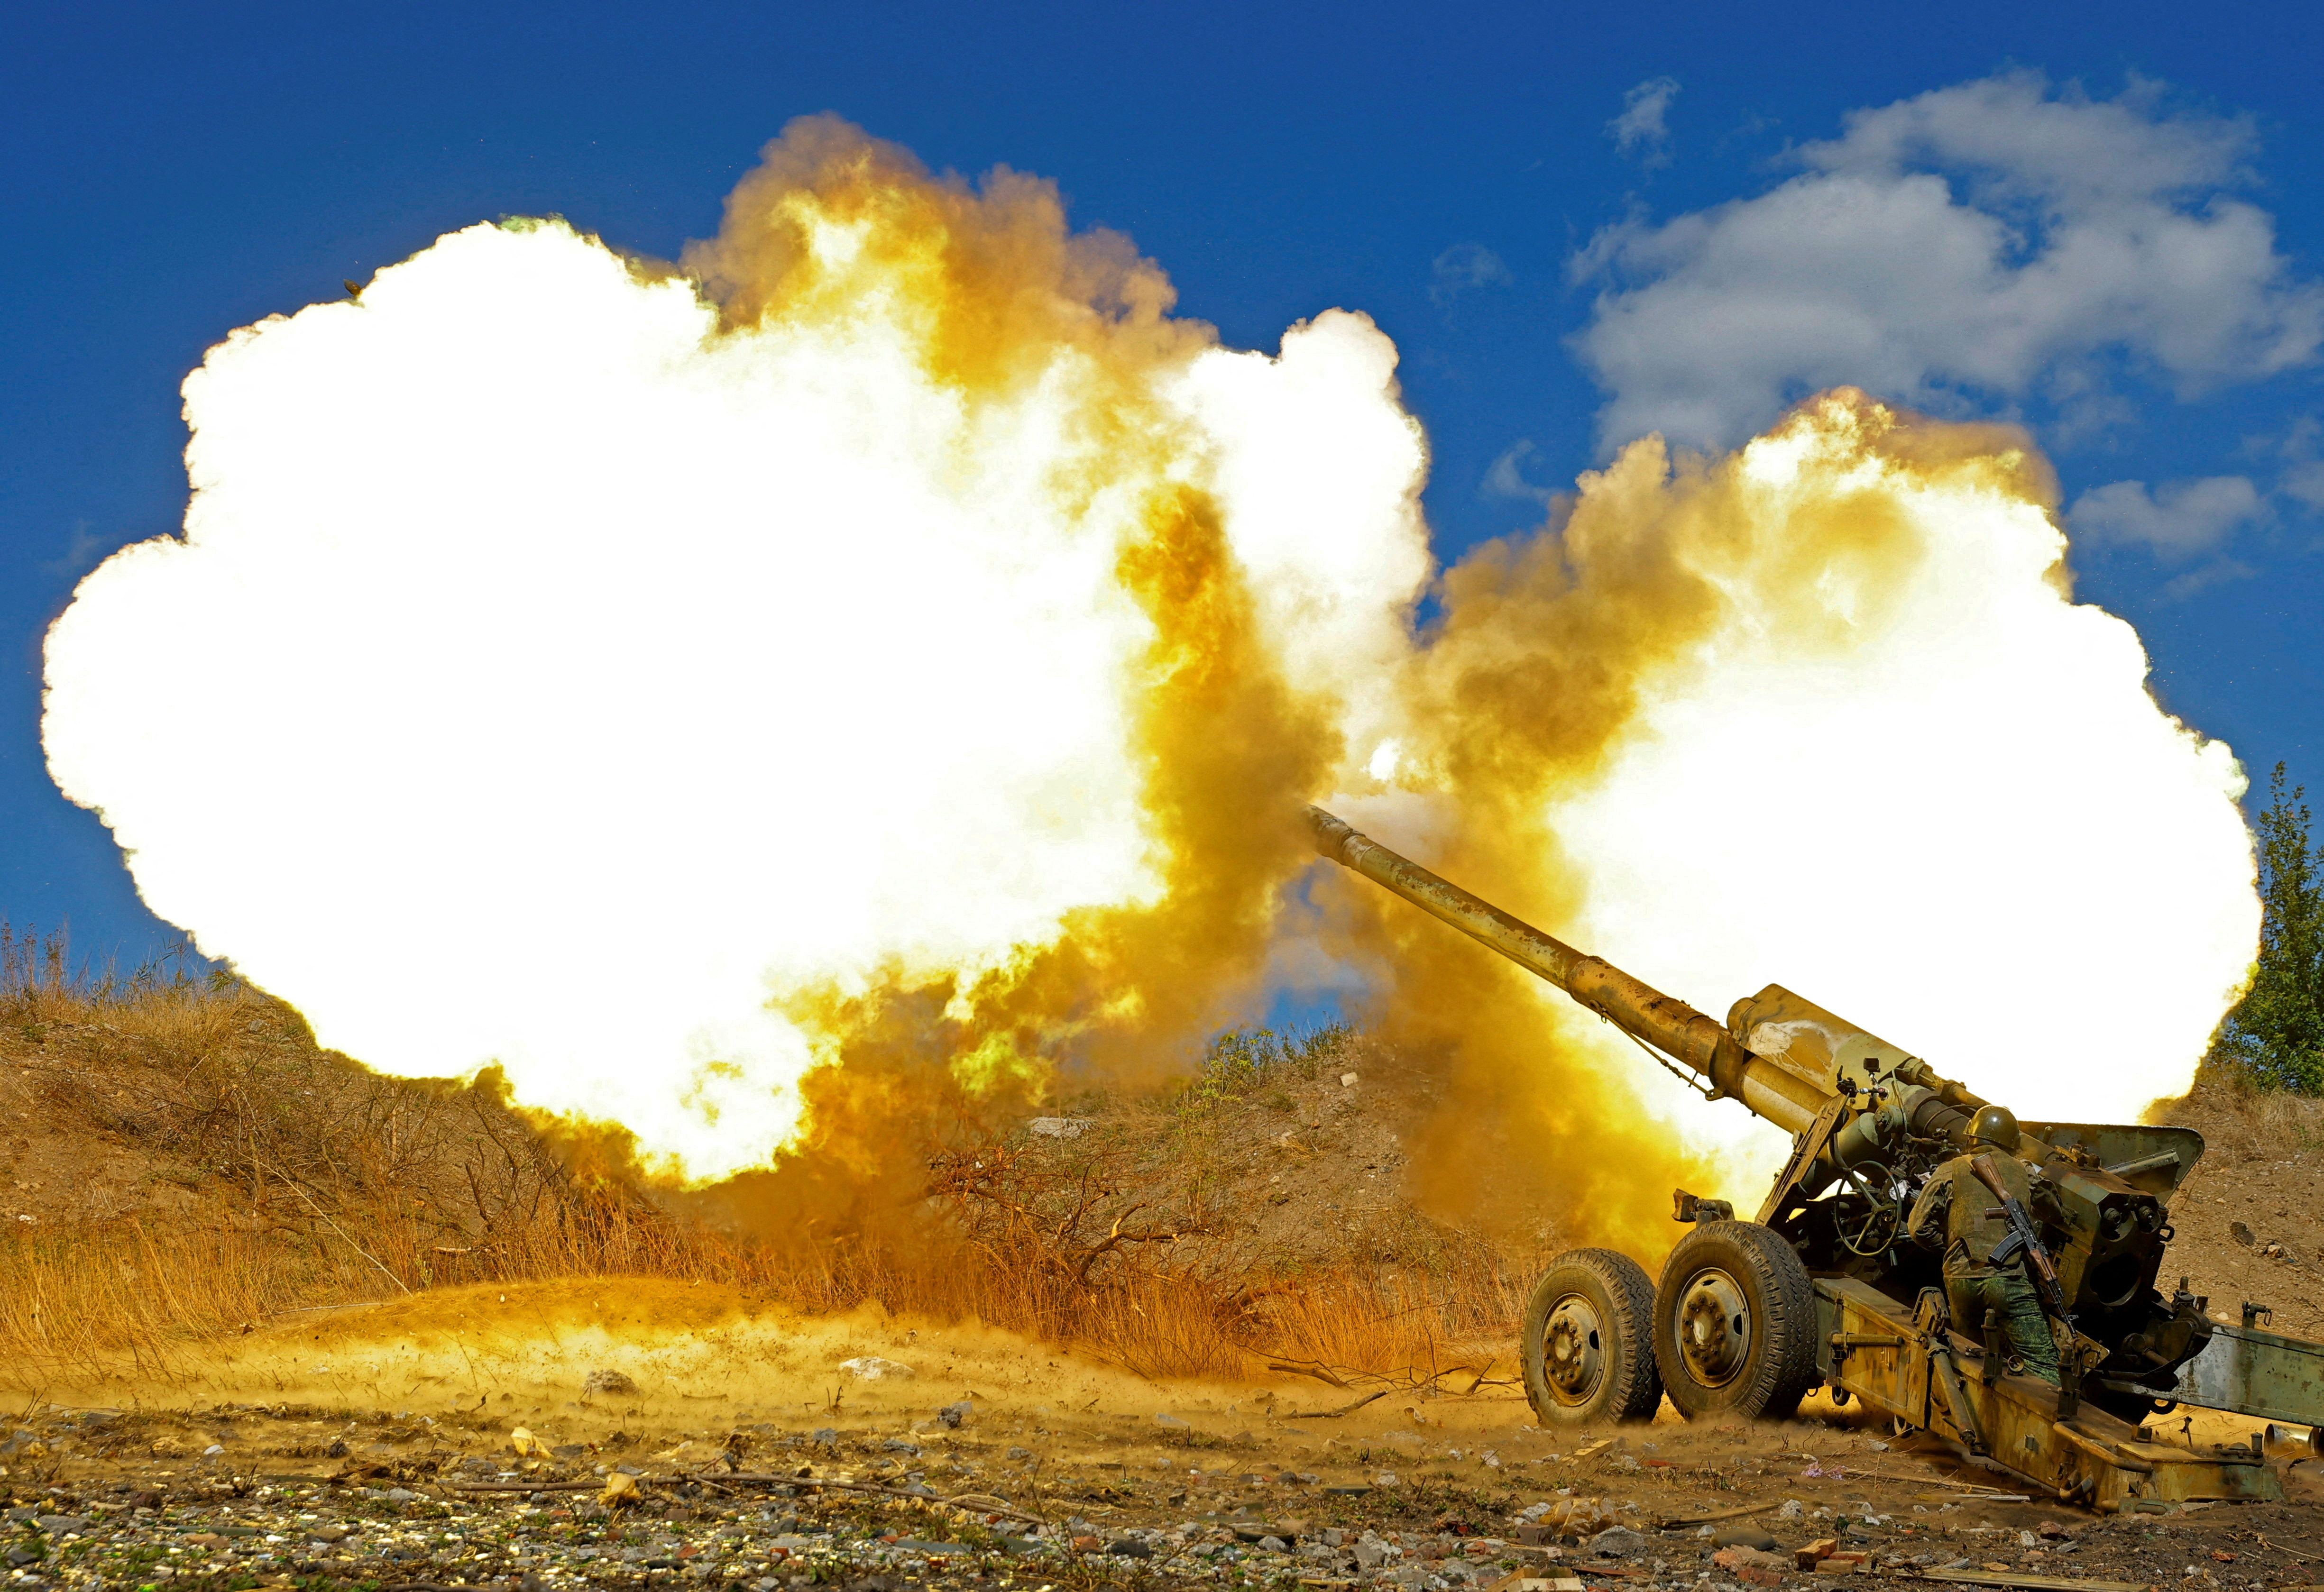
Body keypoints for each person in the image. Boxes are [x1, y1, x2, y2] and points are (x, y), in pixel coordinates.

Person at [1905, 1105, 2060, 1383]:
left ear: (1972, 1138)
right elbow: (2054, 1212)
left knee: (1971, 1362)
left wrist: (1954, 1248)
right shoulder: (2025, 1171)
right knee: (2044, 1368)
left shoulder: (1949, 1170)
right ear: (2012, 1142)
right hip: (2009, 1281)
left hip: (1960, 1280)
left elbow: (1918, 1229)